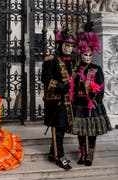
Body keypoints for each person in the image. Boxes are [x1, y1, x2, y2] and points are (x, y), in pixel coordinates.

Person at [69, 31, 112, 166]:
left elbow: (101, 87)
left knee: (92, 130)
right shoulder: (76, 69)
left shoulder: (97, 69)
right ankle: (82, 152)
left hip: (92, 104)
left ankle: (90, 154)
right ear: (81, 55)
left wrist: (95, 100)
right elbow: (73, 87)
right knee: (81, 130)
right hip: (79, 104)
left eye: (89, 55)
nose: (87, 57)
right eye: (85, 55)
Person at [41, 29, 75, 170]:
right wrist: (61, 86)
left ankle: (52, 153)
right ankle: (59, 157)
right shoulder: (51, 59)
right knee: (58, 129)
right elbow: (45, 79)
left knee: (62, 129)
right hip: (55, 101)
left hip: (67, 101)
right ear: (60, 45)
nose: (69, 48)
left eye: (71, 46)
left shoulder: (70, 61)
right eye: (67, 45)